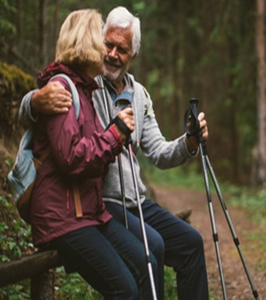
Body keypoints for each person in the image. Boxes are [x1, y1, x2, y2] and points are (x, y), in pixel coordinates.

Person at [20, 6, 209, 300]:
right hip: (104, 201)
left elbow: (158, 151)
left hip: (135, 200)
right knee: (152, 249)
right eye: (107, 44)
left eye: (121, 49)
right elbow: (50, 92)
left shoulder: (140, 94)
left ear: (132, 55)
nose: (111, 54)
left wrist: (190, 142)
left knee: (192, 243)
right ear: (96, 42)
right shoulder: (88, 84)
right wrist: (34, 100)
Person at [28, 9, 158, 299]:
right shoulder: (61, 88)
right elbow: (71, 158)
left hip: (87, 211)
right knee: (123, 287)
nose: (106, 49)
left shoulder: (83, 90)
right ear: (86, 43)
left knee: (144, 261)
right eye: (100, 40)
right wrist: (114, 136)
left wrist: (114, 137)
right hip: (62, 216)